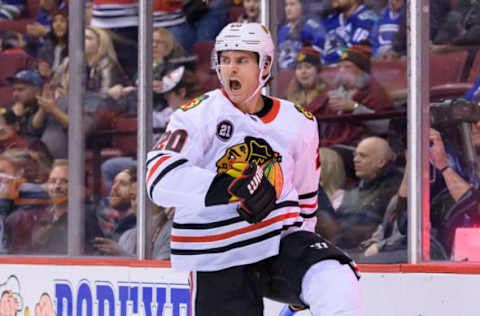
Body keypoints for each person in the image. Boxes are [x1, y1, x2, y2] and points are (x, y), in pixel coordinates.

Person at [146, 22, 361, 316]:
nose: (230, 69)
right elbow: (158, 176)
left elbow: (306, 200)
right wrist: (227, 186)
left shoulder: (299, 122)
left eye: (242, 60)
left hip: (279, 241)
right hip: (218, 250)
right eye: (225, 60)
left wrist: (301, 275)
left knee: (334, 276)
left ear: (265, 64)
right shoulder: (197, 114)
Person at [321, 136, 403, 250]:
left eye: (363, 156)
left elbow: (376, 227)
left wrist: (338, 229)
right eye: (355, 155)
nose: (355, 159)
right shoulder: (354, 188)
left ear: (381, 162)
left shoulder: (394, 189)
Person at [313, 43, 394, 147]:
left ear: (361, 70)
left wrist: (355, 107)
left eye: (347, 67)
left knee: (325, 157)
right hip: (330, 143)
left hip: (360, 146)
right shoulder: (330, 93)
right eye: (340, 67)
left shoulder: (375, 92)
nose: (342, 71)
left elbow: (386, 126)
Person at [31, 159, 104, 254]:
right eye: (52, 181)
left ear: (79, 187)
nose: (57, 187)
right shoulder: (42, 216)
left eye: (64, 181)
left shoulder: (85, 217)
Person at [319, 0, 377, 66]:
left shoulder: (367, 19)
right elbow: (315, 46)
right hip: (327, 70)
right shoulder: (329, 21)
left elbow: (353, 49)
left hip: (352, 70)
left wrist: (323, 59)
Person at [277, 0, 325, 69]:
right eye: (286, 5)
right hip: (282, 74)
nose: (288, 8)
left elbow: (318, 59)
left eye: (292, 4)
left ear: (302, 6)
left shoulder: (313, 28)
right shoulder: (282, 31)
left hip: (301, 72)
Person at [6, 70, 46, 141]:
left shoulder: (45, 108)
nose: (15, 94)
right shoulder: (14, 107)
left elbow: (34, 131)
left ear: (37, 91)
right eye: (14, 90)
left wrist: (19, 117)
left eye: (20, 89)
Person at [285, 45, 329, 110]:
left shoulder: (327, 95)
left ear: (318, 70)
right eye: (299, 68)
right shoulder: (288, 96)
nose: (303, 71)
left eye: (308, 67)